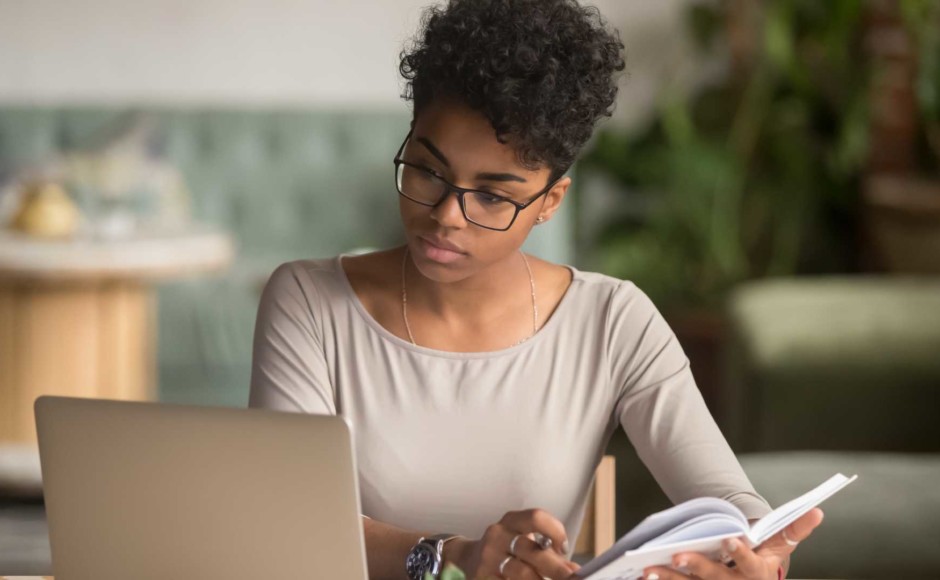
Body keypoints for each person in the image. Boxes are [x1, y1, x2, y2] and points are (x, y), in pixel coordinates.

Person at [247, 1, 823, 579]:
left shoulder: (612, 321)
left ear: (550, 201)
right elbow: (284, 519)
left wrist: (757, 552)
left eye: (493, 196)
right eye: (427, 171)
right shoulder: (309, 303)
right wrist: (457, 558)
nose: (447, 214)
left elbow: (728, 500)